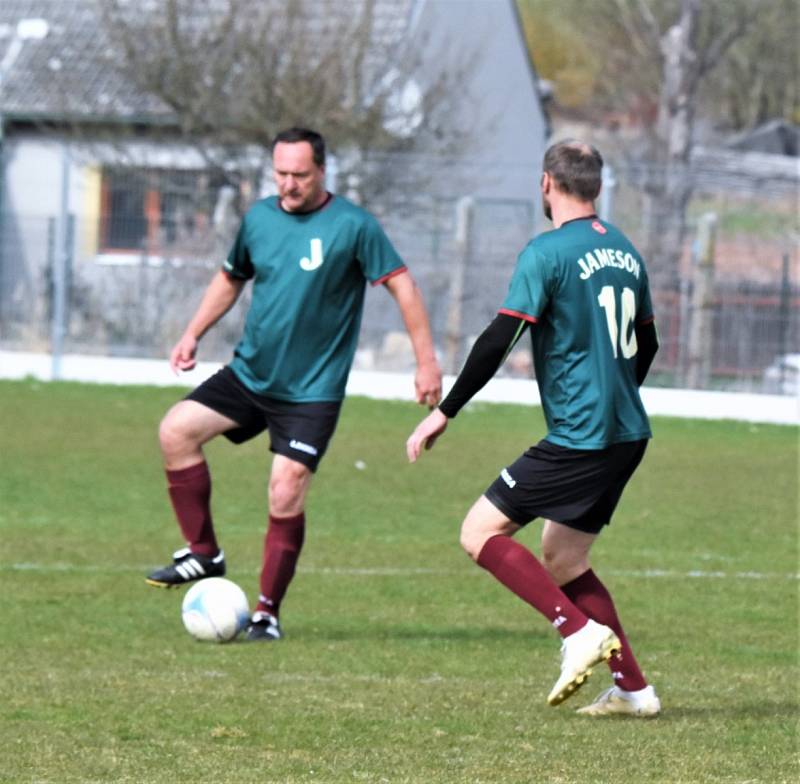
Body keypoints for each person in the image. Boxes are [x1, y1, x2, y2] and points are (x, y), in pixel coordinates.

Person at [147, 127, 442, 642]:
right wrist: (193, 332)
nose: (288, 184)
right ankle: (203, 552)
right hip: (250, 375)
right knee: (176, 431)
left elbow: (403, 285)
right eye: (280, 174)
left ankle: (266, 614)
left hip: (312, 391)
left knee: (285, 491)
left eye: (299, 175)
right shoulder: (259, 218)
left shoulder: (352, 225)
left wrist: (426, 363)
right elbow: (231, 277)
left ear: (322, 171)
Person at [406, 140, 661, 717]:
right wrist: (616, 394)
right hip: (627, 433)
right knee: (565, 558)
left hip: (580, 436)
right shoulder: (625, 251)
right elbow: (648, 343)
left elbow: (501, 337)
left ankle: (577, 633)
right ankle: (633, 689)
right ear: (595, 185)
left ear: (546, 183)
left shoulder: (546, 253)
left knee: (479, 532)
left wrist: (445, 409)